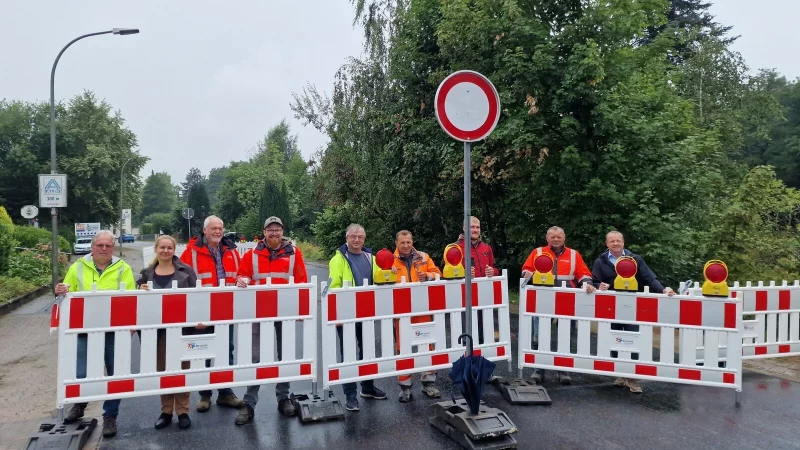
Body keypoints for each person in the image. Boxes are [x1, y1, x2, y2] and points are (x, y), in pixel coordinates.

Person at [54, 230, 136, 438]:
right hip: (84, 329)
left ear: (113, 248)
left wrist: (130, 325)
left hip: (113, 331)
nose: (103, 249)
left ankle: (110, 416)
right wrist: (61, 289)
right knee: (81, 373)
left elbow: (130, 298)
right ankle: (80, 405)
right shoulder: (78, 266)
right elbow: (67, 289)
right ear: (92, 247)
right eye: (100, 245)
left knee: (115, 375)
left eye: (108, 246)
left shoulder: (122, 268)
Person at [233, 216, 308, 425]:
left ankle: (283, 398)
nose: (274, 233)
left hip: (284, 313)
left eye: (277, 230)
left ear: (282, 232)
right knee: (256, 357)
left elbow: (302, 282)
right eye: (270, 230)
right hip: (258, 313)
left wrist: (301, 311)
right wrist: (242, 279)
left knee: (285, 357)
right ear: (264, 232)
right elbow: (241, 275)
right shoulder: (252, 254)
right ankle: (249, 403)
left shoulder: (294, 254)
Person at [592, 230, 675, 393]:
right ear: (606, 244)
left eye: (618, 241)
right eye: (612, 241)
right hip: (611, 306)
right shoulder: (600, 261)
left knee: (632, 339)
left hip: (632, 306)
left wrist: (663, 290)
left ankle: (633, 378)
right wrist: (599, 286)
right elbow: (595, 281)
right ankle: (621, 374)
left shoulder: (635, 259)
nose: (615, 243)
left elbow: (648, 278)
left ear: (623, 242)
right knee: (615, 339)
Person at [180, 215, 243, 412]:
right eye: (214, 228)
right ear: (204, 231)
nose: (218, 232)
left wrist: (242, 279)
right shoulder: (191, 252)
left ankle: (225, 392)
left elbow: (241, 272)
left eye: (220, 228)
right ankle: (205, 394)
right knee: (205, 352)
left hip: (226, 309)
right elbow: (182, 281)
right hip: (203, 311)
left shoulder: (231, 250)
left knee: (226, 351)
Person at [521, 226, 596, 385]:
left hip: (567, 299)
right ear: (547, 238)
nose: (556, 239)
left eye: (559, 236)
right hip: (543, 299)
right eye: (553, 237)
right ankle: (539, 369)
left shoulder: (574, 255)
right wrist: (527, 274)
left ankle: (563, 369)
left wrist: (587, 283)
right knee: (539, 334)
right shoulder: (538, 252)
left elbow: (583, 273)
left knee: (566, 335)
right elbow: (526, 270)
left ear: (564, 238)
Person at [138, 235, 199, 430]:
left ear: (174, 250)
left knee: (182, 369)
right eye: (162, 247)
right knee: (163, 370)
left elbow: (196, 298)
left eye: (169, 248)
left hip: (182, 328)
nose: (165, 251)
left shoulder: (186, 271)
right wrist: (140, 290)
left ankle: (183, 411)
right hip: (158, 331)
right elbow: (136, 301)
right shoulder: (146, 273)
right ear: (156, 249)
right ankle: (166, 411)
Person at [328, 224, 388, 411]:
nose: (356, 240)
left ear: (364, 238)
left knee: (367, 351)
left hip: (367, 313)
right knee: (348, 355)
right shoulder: (337, 260)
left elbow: (381, 277)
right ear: (346, 237)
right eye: (353, 236)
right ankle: (350, 395)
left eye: (360, 237)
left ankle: (368, 388)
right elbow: (333, 288)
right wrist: (336, 313)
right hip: (346, 315)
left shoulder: (372, 258)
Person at [384, 230, 443, 403]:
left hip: (423, 308)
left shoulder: (424, 257)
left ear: (412, 241)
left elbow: (439, 273)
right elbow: (379, 279)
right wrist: (388, 271)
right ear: (396, 243)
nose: (406, 245)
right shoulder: (389, 260)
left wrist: (429, 276)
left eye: (408, 242)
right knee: (403, 348)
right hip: (401, 313)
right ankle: (405, 387)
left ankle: (429, 382)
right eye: (402, 242)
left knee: (427, 343)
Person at [456, 216, 499, 344]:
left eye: (477, 227)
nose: (475, 230)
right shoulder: (455, 248)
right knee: (467, 332)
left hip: (484, 296)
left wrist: (493, 272)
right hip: (465, 297)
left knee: (484, 331)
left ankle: (483, 358)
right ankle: (466, 358)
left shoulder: (486, 248)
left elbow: (495, 268)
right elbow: (446, 273)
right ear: (464, 228)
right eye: (472, 227)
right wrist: (464, 273)